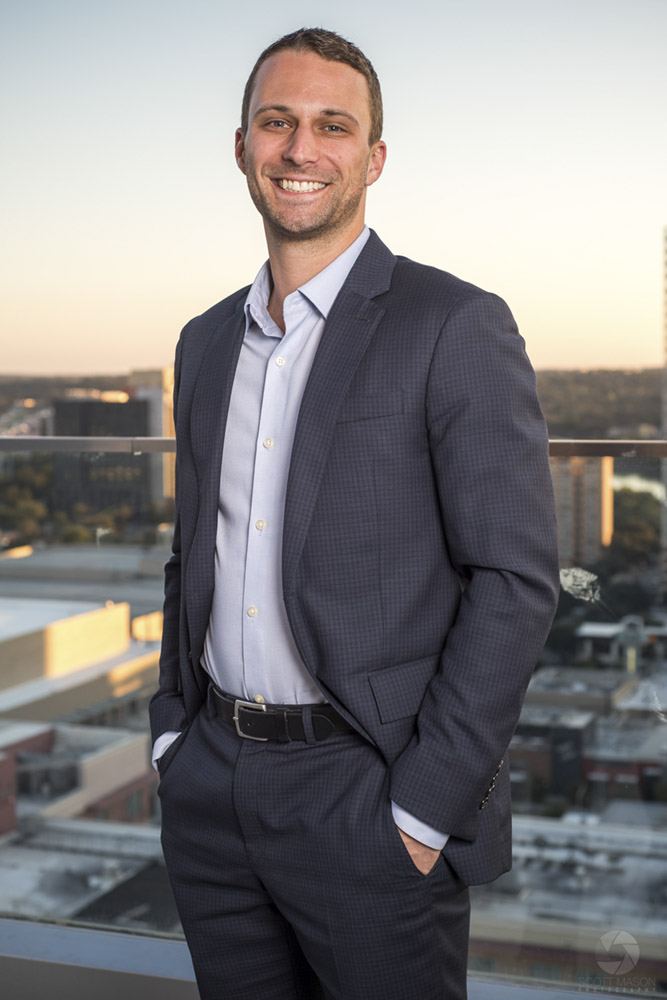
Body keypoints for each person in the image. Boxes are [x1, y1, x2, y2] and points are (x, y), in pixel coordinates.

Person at [150, 26, 560, 1000]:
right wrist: (173, 733)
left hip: (365, 793)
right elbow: (190, 551)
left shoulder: (451, 324)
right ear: (242, 143)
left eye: (332, 126)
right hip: (212, 785)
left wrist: (420, 811)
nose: (301, 150)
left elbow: (513, 583)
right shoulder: (205, 341)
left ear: (373, 158)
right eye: (276, 122)